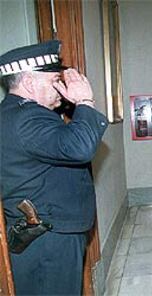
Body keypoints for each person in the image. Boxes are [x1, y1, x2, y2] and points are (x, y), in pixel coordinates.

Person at [0, 40, 108, 295]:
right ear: (29, 83)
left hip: (41, 233)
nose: (60, 87)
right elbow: (80, 147)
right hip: (50, 237)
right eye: (53, 81)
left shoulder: (12, 113)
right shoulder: (28, 118)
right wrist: (84, 101)